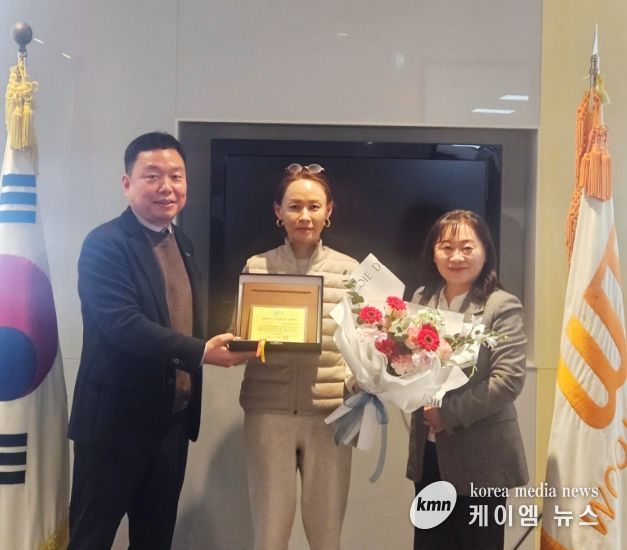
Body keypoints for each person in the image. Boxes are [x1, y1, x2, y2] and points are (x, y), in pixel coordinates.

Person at [67, 132, 254, 550]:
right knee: (90, 537)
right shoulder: (105, 243)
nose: (166, 187)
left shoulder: (182, 243)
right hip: (114, 426)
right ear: (127, 183)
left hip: (170, 423)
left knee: (154, 540)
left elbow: (179, 319)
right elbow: (123, 324)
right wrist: (202, 352)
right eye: (152, 176)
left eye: (176, 176)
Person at [239, 163, 358, 550]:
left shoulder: (351, 271)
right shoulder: (257, 267)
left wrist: (363, 380)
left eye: (314, 206)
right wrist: (243, 339)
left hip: (331, 415)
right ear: (278, 211)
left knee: (327, 536)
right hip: (268, 413)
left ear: (328, 211)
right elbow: (241, 337)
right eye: (294, 206)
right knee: (269, 535)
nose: (304, 216)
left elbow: (365, 345)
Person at [406, 209, 528, 550]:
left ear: (485, 252)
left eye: (467, 247)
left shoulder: (500, 306)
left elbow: (508, 380)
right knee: (430, 544)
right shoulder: (421, 300)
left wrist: (447, 413)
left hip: (481, 458)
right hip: (430, 453)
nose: (456, 257)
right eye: (446, 247)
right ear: (433, 253)